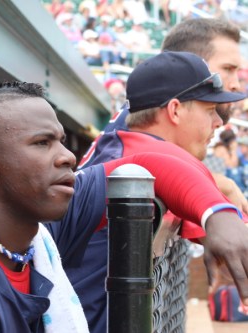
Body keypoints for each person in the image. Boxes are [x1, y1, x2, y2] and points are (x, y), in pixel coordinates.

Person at [0, 81, 248, 333]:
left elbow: (146, 168)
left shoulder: (30, 225)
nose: (68, 156)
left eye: (62, 141)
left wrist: (219, 215)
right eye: (42, 143)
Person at [77, 18, 247, 333]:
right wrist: (220, 207)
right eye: (210, 111)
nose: (218, 123)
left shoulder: (126, 131)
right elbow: (164, 165)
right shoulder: (138, 153)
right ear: (174, 110)